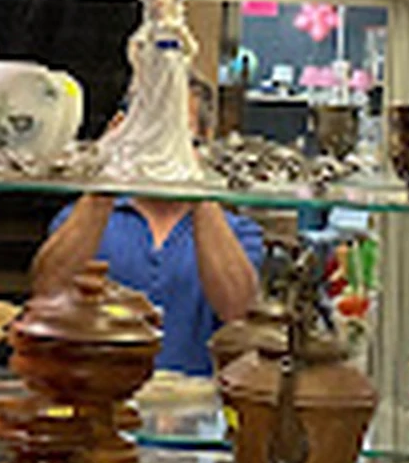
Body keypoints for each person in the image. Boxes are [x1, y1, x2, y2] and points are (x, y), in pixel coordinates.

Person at [30, 80, 262, 378]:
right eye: (151, 126)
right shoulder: (85, 218)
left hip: (195, 402)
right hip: (95, 394)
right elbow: (47, 291)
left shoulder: (237, 232)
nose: (161, 143)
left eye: (175, 130)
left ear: (203, 139)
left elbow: (238, 312)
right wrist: (107, 172)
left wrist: (195, 181)